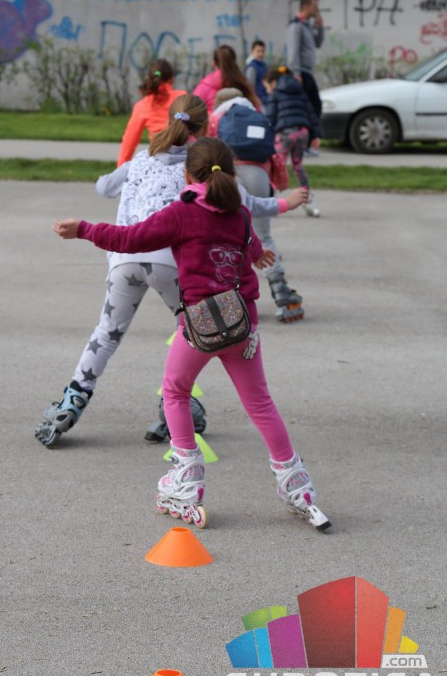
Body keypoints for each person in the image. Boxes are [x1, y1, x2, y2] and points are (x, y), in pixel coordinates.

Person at [53, 137, 331, 533]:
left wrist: (84, 229)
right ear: (230, 174)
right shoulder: (239, 213)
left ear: (187, 176)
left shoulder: (182, 213)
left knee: (175, 391)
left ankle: (186, 480)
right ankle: (299, 489)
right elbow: (250, 246)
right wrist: (258, 257)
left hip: (199, 328)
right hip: (242, 325)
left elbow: (130, 240)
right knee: (260, 404)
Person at [35, 95, 307, 448]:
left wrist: (127, 172)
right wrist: (285, 204)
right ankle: (176, 404)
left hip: (124, 259)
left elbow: (104, 187)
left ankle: (72, 401)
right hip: (171, 264)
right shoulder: (205, 167)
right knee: (192, 332)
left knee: (107, 333)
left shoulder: (141, 159)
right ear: (205, 127)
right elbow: (247, 205)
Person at [212, 87, 306, 322]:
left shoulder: (217, 118)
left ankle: (227, 292)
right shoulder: (257, 118)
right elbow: (274, 154)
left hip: (227, 176)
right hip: (258, 175)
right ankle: (281, 291)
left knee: (225, 236)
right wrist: (280, 182)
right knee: (263, 235)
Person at [264, 66, 322, 218]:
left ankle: (268, 201)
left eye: (267, 87)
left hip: (284, 134)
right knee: (298, 165)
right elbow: (311, 113)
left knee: (276, 166)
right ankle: (308, 200)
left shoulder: (276, 94)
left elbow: (270, 118)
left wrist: (266, 136)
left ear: (273, 82)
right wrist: (316, 135)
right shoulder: (300, 92)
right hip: (302, 132)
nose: (267, 91)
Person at [117, 59, 186, 166]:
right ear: (171, 79)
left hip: (158, 160)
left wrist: (121, 168)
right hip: (183, 157)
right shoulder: (183, 98)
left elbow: (129, 142)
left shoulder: (142, 106)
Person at [285, 0, 324, 120]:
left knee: (315, 105)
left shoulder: (307, 25)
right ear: (306, 6)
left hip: (308, 72)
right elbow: (293, 50)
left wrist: (320, 27)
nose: (317, 9)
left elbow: (318, 43)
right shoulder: (296, 25)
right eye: (315, 6)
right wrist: (296, 73)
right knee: (307, 105)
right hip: (301, 73)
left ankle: (311, 130)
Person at [193, 44, 260, 115]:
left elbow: (192, 110)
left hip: (212, 121)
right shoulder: (242, 83)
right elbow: (256, 110)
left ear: (213, 63)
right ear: (234, 62)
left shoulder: (205, 85)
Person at [245, 39, 269, 106]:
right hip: (259, 101)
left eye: (263, 51)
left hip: (266, 99)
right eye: (258, 51)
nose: (261, 54)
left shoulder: (264, 65)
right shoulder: (252, 68)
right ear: (252, 52)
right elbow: (250, 86)